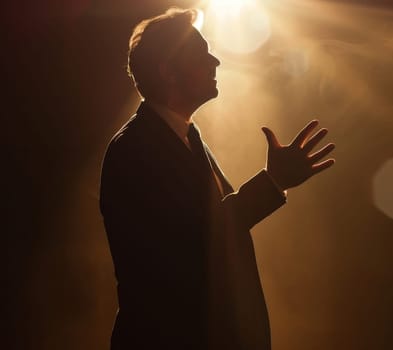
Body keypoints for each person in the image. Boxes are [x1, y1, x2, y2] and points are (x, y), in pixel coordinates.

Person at [99, 7, 335, 350]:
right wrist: (272, 183)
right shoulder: (134, 149)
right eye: (201, 54)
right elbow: (193, 239)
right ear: (168, 71)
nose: (215, 62)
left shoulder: (186, 140)